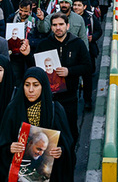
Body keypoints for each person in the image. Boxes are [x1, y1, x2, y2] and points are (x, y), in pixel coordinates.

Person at [0, 68, 74, 182]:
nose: (31, 90)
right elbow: (0, 145)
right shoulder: (13, 109)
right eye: (27, 85)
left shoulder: (55, 110)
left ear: (43, 86)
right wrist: (9, 148)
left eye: (36, 85)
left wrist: (60, 151)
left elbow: (68, 143)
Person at [35, 12, 91, 143]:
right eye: (54, 25)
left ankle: (70, 158)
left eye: (61, 24)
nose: (58, 28)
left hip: (69, 97)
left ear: (68, 25)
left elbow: (87, 67)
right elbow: (35, 67)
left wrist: (69, 71)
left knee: (70, 131)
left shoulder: (77, 44)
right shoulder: (44, 44)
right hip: (48, 97)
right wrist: (27, 55)